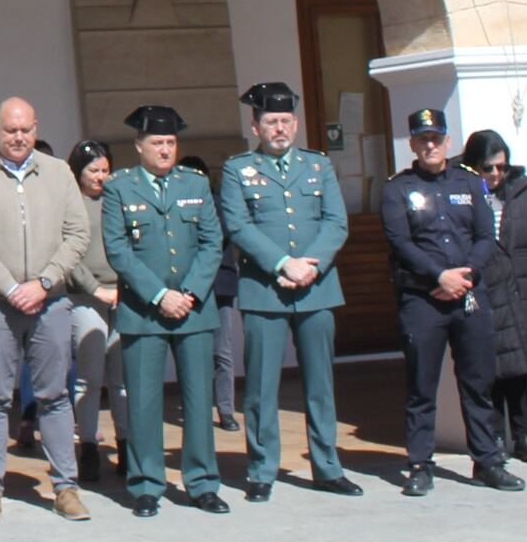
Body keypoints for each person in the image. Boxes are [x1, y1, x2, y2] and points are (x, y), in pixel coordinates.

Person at [0, 97, 93, 526]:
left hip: (51, 301)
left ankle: (65, 487)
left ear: (36, 128)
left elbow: (77, 233)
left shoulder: (58, 173)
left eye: (26, 130)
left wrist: (45, 281)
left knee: (53, 395)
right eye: (10, 131)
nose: (18, 138)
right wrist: (12, 287)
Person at [219, 83, 360, 501]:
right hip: (266, 289)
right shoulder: (237, 169)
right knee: (262, 385)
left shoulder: (318, 166)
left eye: (285, 121)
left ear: (295, 124)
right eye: (270, 122)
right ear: (256, 126)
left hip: (316, 288)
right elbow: (239, 225)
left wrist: (309, 265)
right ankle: (262, 469)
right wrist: (283, 264)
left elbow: (336, 222)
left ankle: (327, 466)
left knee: (320, 383)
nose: (279, 129)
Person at [383, 109, 524, 496]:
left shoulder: (470, 182)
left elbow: (484, 235)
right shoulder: (397, 188)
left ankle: (487, 460)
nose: (430, 145)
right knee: (421, 386)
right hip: (422, 298)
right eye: (422, 138)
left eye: (436, 138)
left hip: (469, 294)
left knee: (478, 382)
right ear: (412, 144)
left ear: (447, 142)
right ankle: (420, 464)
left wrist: (465, 276)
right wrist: (439, 276)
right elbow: (400, 242)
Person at [100, 107, 226, 517]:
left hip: (193, 310)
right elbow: (118, 249)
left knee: (197, 397)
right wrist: (159, 295)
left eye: (171, 143)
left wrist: (188, 292)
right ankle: (146, 484)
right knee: (144, 401)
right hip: (144, 311)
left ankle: (203, 482)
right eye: (157, 143)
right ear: (139, 146)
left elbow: (212, 241)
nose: (165, 150)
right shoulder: (120, 187)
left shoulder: (195, 183)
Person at [463, 130, 527, 466]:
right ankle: (493, 436)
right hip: (485, 291)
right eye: (487, 168)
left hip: (522, 292)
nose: (494, 175)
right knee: (489, 368)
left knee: (520, 368)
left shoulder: (523, 193)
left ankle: (523, 436)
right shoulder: (462, 193)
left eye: (500, 168)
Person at [64, 141, 124, 484]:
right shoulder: (72, 204)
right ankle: (87, 445)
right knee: (90, 375)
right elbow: (68, 253)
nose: (101, 177)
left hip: (122, 294)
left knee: (122, 378)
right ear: (78, 171)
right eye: (93, 170)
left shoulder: (118, 200)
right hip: (86, 295)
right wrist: (95, 288)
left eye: (105, 169)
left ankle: (126, 444)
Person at [183, 156, 240, 433]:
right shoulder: (178, 206)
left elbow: (222, 235)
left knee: (222, 351)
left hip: (220, 285)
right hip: (189, 289)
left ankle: (226, 409)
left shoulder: (220, 203)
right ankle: (199, 409)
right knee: (194, 352)